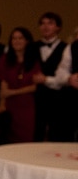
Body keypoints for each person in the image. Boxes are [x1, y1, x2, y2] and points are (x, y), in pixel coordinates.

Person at [0, 27, 41, 143]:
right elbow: (3, 83)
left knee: (25, 138)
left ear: (27, 41)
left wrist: (13, 92)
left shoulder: (34, 60)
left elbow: (35, 86)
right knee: (8, 139)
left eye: (20, 38)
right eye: (14, 38)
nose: (17, 41)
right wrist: (2, 103)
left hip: (26, 106)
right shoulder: (5, 59)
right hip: (10, 105)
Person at [31, 12, 67, 141]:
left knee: (57, 134)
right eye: (42, 23)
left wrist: (45, 79)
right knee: (37, 133)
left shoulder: (66, 48)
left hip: (60, 98)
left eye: (50, 23)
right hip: (37, 97)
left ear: (58, 27)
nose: (45, 27)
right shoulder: (33, 47)